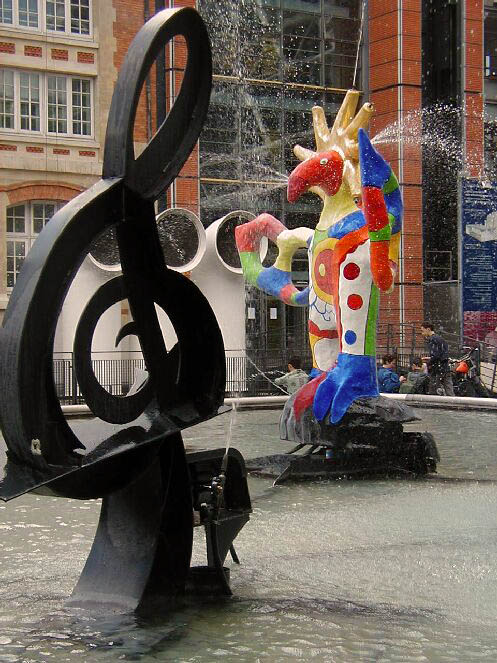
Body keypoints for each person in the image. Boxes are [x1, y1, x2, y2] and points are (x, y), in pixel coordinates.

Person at [420, 322, 454, 396]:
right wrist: (431, 358)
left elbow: (436, 356)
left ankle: (434, 406)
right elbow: (441, 353)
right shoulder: (440, 338)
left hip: (437, 369)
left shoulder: (432, 339)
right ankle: (454, 404)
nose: (422, 333)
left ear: (428, 329)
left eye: (422, 330)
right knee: (449, 388)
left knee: (433, 390)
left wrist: (427, 363)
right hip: (444, 366)